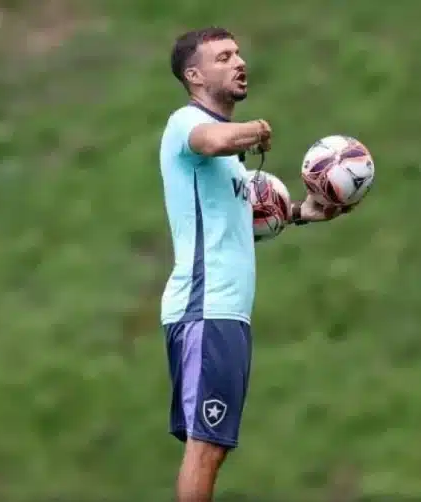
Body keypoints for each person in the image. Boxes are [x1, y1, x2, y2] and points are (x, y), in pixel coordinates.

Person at [160, 27, 349, 502]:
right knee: (206, 447)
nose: (239, 62)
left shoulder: (231, 163)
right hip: (205, 308)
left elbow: (242, 219)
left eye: (239, 54)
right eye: (224, 57)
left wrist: (303, 212)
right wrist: (255, 131)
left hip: (226, 314)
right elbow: (209, 141)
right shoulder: (187, 123)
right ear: (194, 76)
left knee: (212, 445)